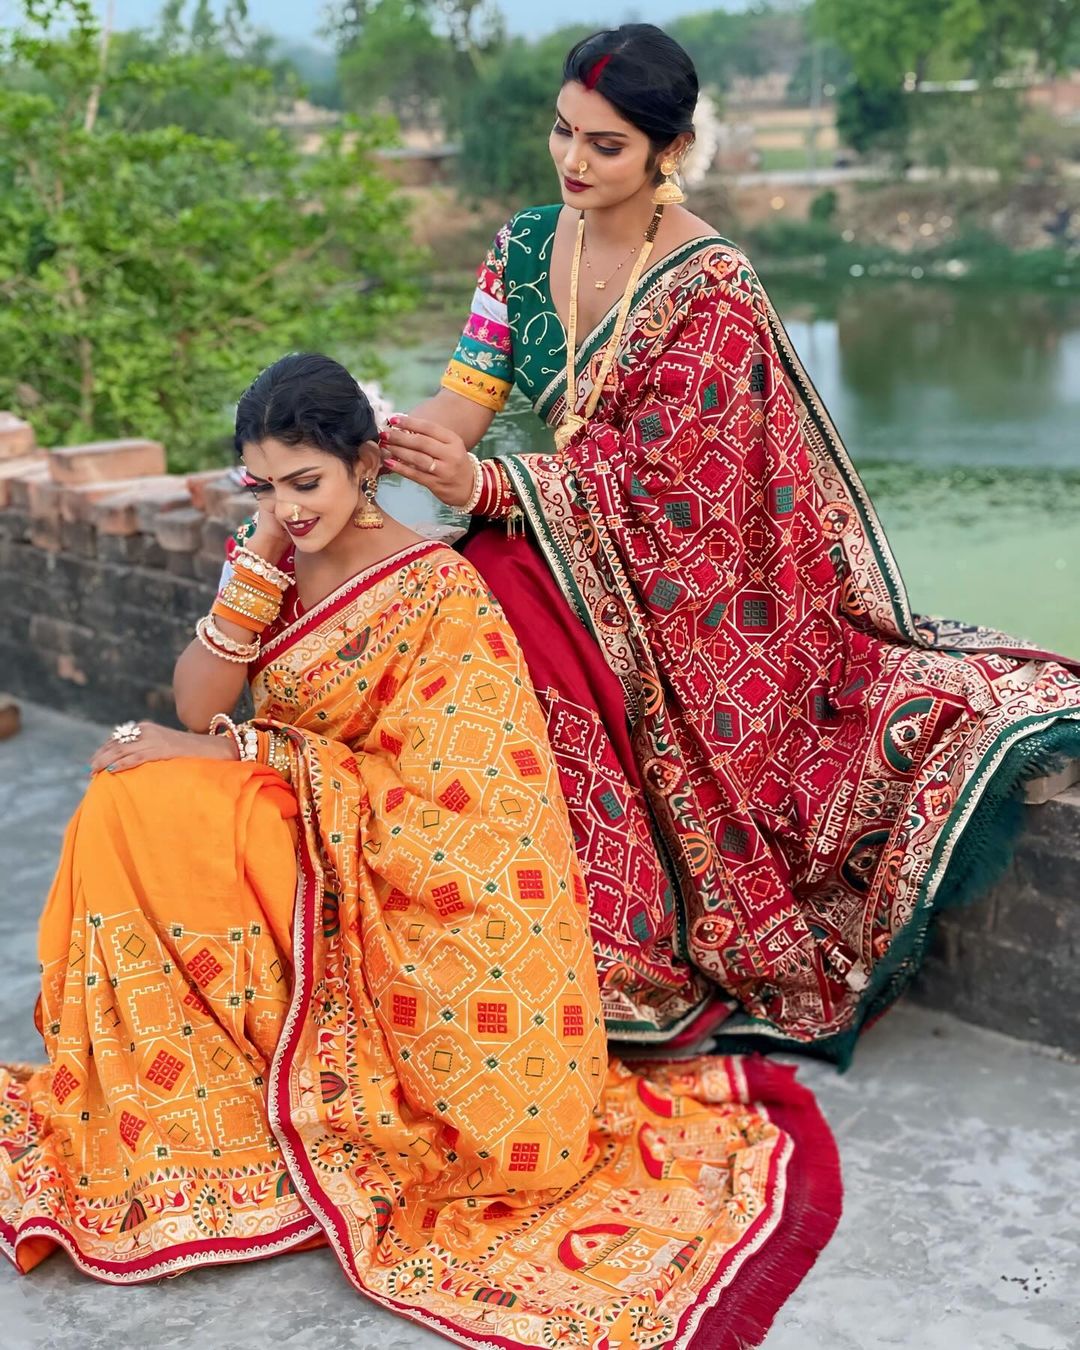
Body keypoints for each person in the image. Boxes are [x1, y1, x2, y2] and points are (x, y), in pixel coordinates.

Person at [0, 354, 840, 1349]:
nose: (289, 506)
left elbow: (472, 812)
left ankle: (265, 1083)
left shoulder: (436, 587)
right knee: (125, 794)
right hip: (308, 820)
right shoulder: (271, 554)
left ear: (365, 464)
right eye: (265, 485)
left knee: (150, 788)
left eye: (305, 482)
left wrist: (226, 752)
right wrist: (260, 557)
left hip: (402, 872)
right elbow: (196, 702)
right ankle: (200, 1097)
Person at [383, 25, 1080, 1065]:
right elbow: (468, 396)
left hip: (701, 596)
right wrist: (378, 445)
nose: (573, 161)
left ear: (667, 150)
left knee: (515, 637)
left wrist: (486, 488)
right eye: (562, 132)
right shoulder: (525, 247)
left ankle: (600, 956)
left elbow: (684, 500)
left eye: (605, 145)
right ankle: (455, 932)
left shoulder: (712, 288)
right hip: (556, 540)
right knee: (437, 622)